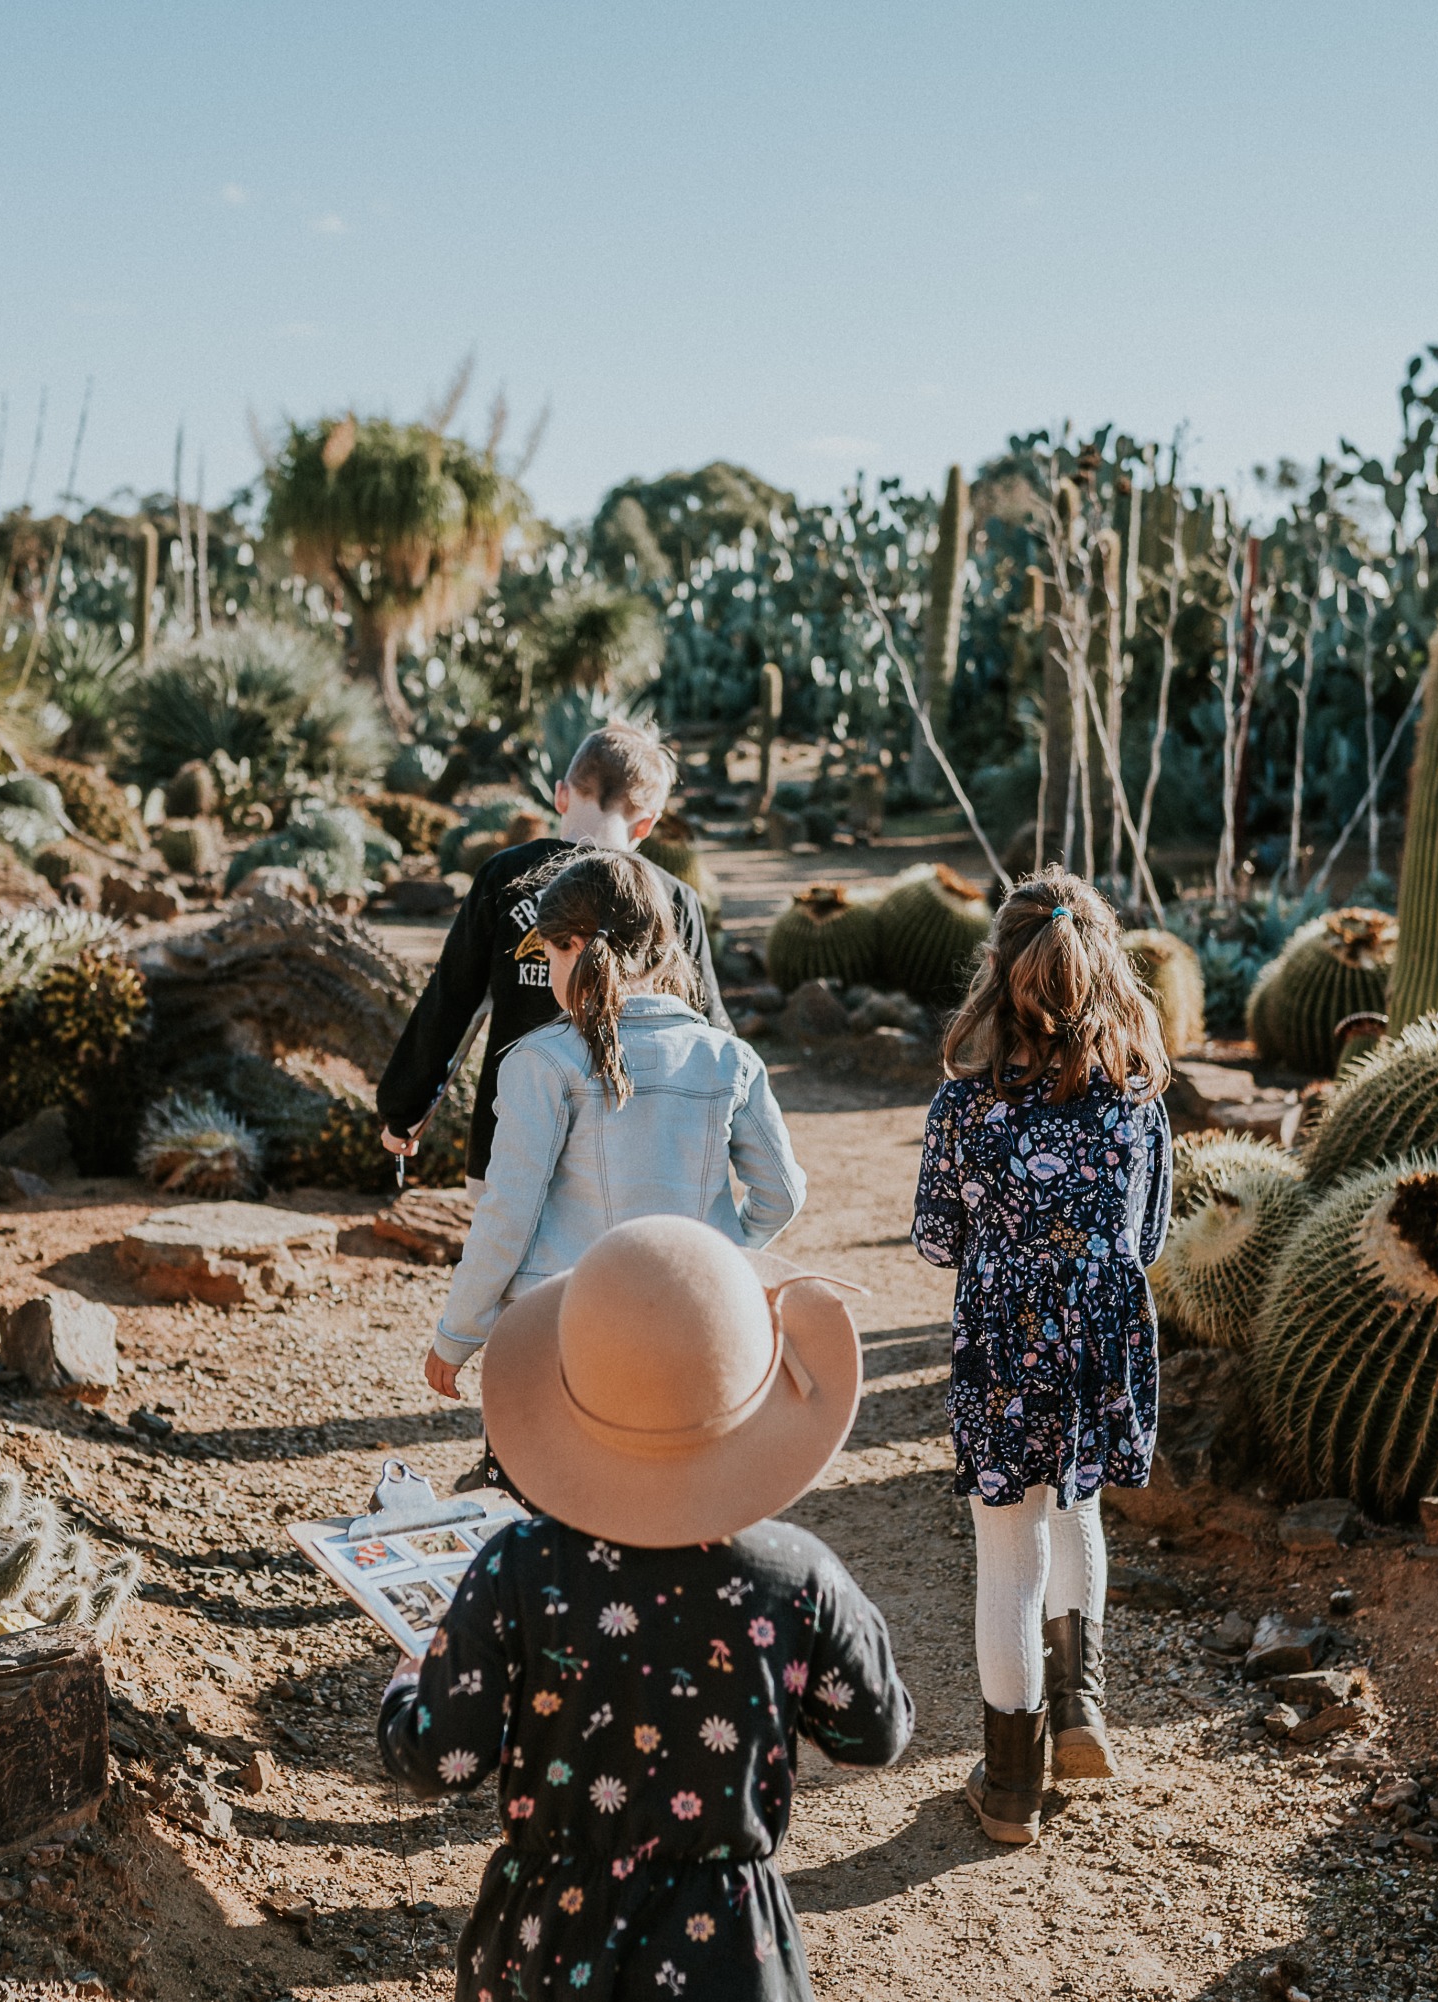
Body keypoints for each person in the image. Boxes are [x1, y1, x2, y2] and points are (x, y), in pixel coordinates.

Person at [379, 1214, 912, 2001]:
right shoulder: (797, 1574)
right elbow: (873, 1735)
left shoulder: (521, 1567)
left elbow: (437, 1760)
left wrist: (409, 1677)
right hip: (728, 1952)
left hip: (546, 1944)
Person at [910, 867, 1173, 1845]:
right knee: (1080, 1509)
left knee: (1008, 1555)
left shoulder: (965, 1111)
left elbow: (937, 1240)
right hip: (1102, 1343)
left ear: (997, 974)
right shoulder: (1136, 1104)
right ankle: (1081, 1710)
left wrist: (1005, 1245)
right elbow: (1145, 1242)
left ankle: (1012, 1786)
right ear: (1105, 970)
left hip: (1005, 1345)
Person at [424, 847, 802, 1402]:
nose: (550, 972)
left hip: (563, 1329)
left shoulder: (540, 1061)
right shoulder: (729, 1059)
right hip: (698, 1323)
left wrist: (457, 1334)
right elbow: (783, 1193)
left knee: (554, 1482)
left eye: (550, 956)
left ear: (573, 945)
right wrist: (719, 1257)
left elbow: (508, 1213)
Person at [377, 724, 729, 1191]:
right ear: (646, 823)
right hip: (632, 1157)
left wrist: (404, 1111)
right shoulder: (675, 899)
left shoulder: (503, 875)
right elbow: (705, 1027)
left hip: (509, 1145)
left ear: (561, 795)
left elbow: (451, 1001)